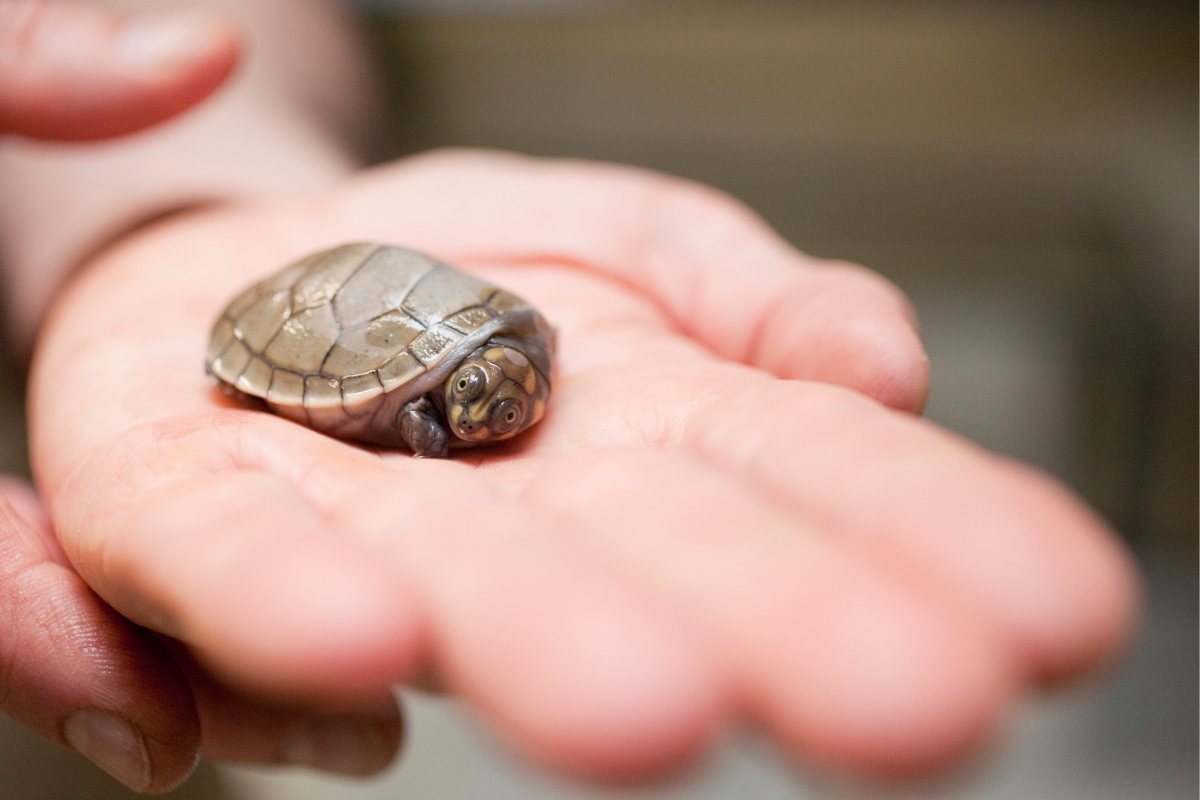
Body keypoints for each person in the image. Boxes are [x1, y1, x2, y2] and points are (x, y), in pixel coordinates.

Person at [0, 1, 1138, 794]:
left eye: (505, 388)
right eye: (479, 395)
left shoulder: (506, 352)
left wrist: (149, 184)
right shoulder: (398, 385)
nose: (495, 406)